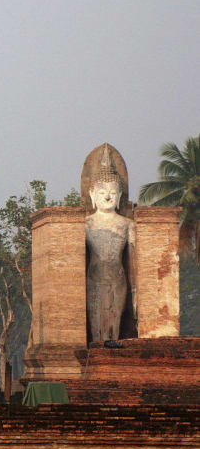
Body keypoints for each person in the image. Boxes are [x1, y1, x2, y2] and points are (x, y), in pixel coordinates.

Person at [85, 145, 136, 342]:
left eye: (112, 193)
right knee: (97, 327)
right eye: (102, 192)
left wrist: (138, 294)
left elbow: (135, 262)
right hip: (94, 279)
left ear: (120, 196)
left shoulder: (127, 224)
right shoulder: (85, 224)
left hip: (118, 279)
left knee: (114, 326)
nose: (107, 196)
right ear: (92, 195)